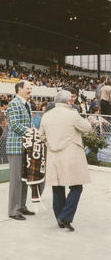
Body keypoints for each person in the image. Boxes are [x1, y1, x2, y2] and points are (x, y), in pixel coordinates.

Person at [39, 90, 92, 231]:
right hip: (71, 155)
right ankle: (65, 216)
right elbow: (87, 128)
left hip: (53, 155)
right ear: (69, 101)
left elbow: (41, 136)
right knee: (76, 187)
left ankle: (60, 218)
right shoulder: (72, 114)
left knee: (57, 187)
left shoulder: (47, 115)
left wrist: (50, 144)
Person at [6, 80, 35, 220]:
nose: (30, 90)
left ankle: (22, 206)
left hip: (26, 146)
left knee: (24, 178)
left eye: (31, 88)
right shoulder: (13, 104)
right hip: (16, 146)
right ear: (19, 89)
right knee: (16, 179)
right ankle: (13, 210)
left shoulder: (27, 104)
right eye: (28, 88)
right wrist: (32, 132)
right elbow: (15, 125)